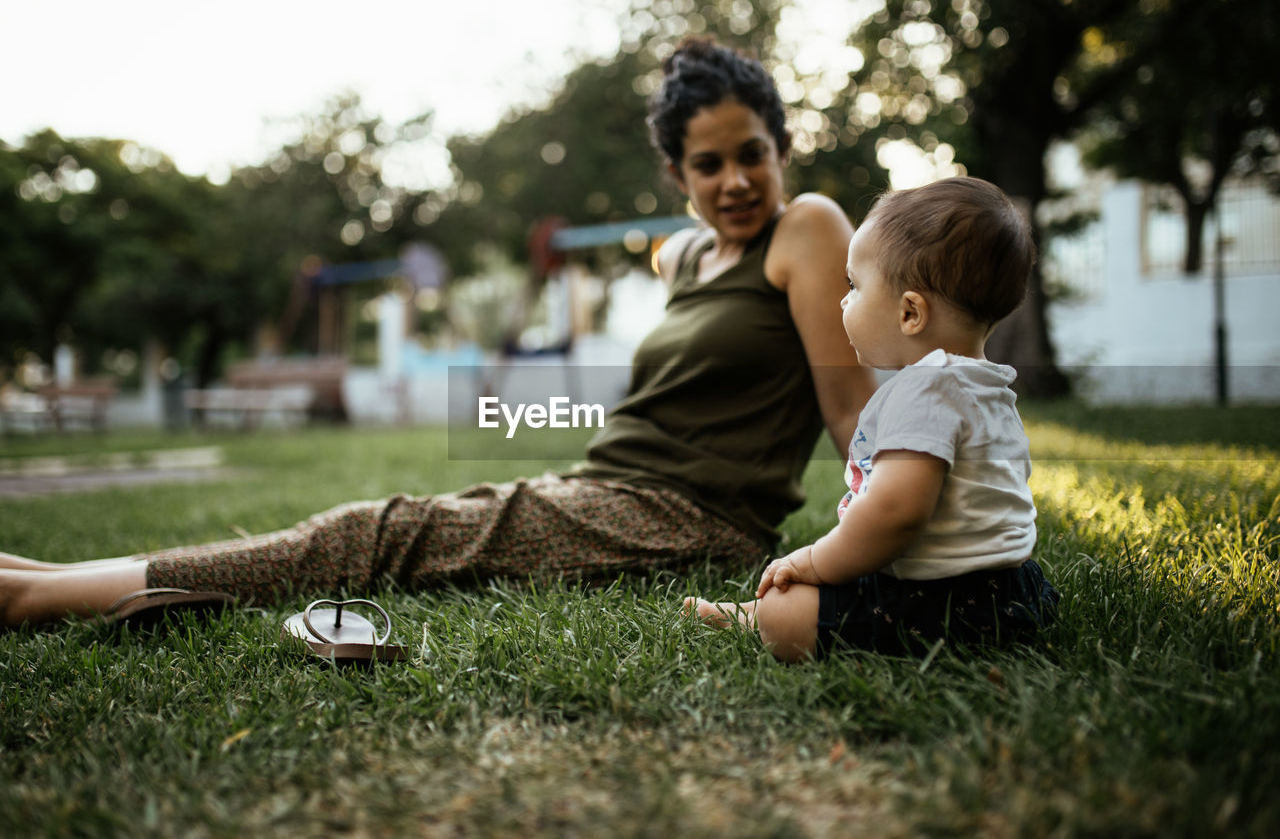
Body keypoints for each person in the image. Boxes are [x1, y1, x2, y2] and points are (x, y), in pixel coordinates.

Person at [0, 37, 875, 628]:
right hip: (610, 492)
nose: (734, 180)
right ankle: (47, 574)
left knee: (383, 532)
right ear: (676, 172)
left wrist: (885, 537)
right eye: (706, 164)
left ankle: (37, 596)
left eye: (751, 153)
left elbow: (849, 413)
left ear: (782, 146)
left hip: (689, 521)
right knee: (395, 526)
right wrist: (694, 249)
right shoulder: (689, 260)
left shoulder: (808, 228)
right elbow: (680, 259)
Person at [685, 176, 1060, 662]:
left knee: (788, 609)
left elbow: (895, 513)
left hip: (950, 601)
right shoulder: (985, 385)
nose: (843, 301)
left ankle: (752, 619)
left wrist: (813, 560)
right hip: (1014, 589)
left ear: (910, 313)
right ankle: (748, 612)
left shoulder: (925, 391)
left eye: (854, 286)